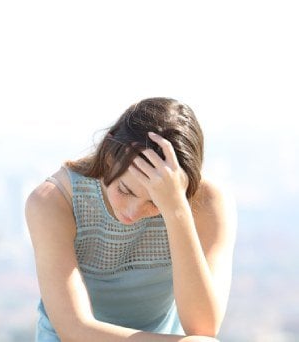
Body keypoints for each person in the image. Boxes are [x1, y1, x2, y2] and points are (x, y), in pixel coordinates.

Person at [24, 97, 237, 341]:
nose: (133, 212)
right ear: (107, 156)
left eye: (154, 202)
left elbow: (203, 327)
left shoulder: (206, 202)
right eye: (125, 190)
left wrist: (176, 209)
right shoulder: (54, 201)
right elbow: (74, 329)